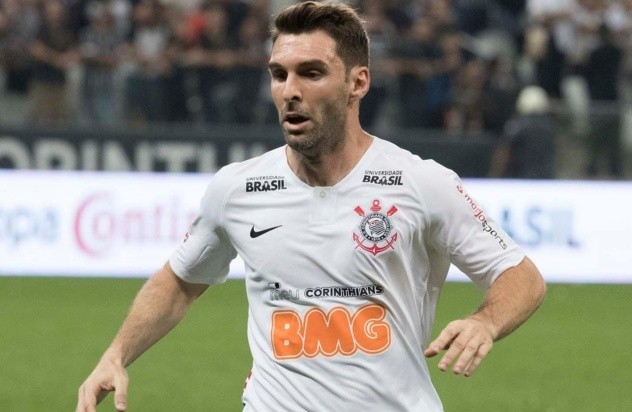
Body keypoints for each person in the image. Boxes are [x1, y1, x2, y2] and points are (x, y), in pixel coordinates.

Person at [76, 3, 546, 412]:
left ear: (358, 82)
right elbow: (179, 281)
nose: (289, 91)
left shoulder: (421, 184)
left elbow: (521, 276)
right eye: (279, 74)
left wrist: (484, 322)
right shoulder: (237, 189)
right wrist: (116, 354)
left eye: (311, 73)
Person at [490, 85, 556, 179]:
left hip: (521, 179)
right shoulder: (550, 127)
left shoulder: (517, 125)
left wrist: (495, 176)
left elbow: (503, 152)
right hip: (545, 178)